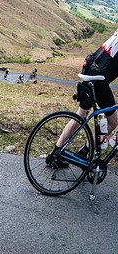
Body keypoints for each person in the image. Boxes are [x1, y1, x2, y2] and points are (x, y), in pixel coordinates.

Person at [48, 29, 118, 167]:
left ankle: (55, 153)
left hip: (90, 67)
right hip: (99, 79)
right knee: (114, 122)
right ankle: (84, 152)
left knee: (80, 116)